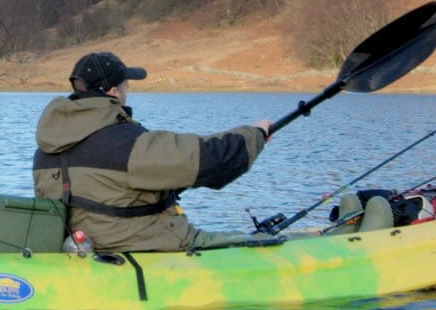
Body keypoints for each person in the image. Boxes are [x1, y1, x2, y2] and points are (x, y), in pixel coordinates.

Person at [33, 51, 271, 253]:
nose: (127, 92)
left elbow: (109, 187)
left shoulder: (46, 147)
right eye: (126, 86)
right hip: (144, 243)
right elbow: (212, 160)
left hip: (81, 247)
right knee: (259, 242)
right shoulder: (127, 143)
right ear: (114, 92)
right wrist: (255, 134)